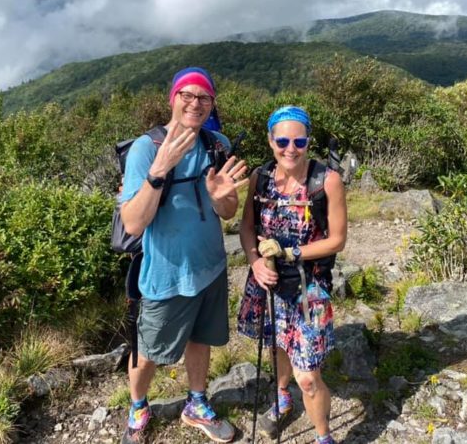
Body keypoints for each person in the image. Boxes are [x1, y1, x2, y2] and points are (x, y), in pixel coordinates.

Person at [119, 67, 248, 443]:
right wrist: (159, 171)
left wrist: (223, 198)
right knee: (148, 350)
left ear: (212, 104)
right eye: (186, 95)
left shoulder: (216, 143)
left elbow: (227, 212)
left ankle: (196, 401)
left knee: (200, 339)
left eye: (203, 97)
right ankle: (139, 406)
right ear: (172, 98)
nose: (195, 103)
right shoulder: (147, 149)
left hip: (211, 267)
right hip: (165, 274)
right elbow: (132, 224)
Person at [237, 106, 347, 444]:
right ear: (270, 141)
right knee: (278, 344)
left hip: (307, 289)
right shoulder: (262, 177)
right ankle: (282, 396)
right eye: (282, 140)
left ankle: (323, 437)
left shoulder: (326, 180)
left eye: (299, 141)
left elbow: (337, 240)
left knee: (309, 376)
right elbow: (246, 226)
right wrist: (255, 260)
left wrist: (291, 253)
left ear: (308, 141)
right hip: (269, 281)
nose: (290, 148)